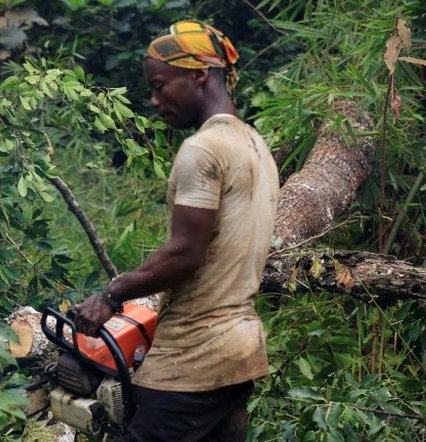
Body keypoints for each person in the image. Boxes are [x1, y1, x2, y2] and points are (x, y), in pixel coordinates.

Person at [73, 20, 280, 441]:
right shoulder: (255, 145)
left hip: (193, 359)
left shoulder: (203, 149)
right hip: (239, 352)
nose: (153, 100)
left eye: (160, 85)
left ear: (199, 74)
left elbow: (186, 252)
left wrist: (110, 295)